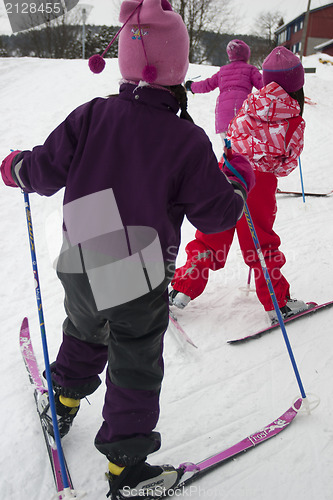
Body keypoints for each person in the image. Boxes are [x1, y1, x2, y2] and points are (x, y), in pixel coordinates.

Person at [0, 0, 255, 498]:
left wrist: (16, 168)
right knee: (134, 358)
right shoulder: (185, 139)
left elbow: (46, 169)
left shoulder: (93, 114)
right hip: (134, 266)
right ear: (178, 68)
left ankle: (61, 401)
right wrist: (238, 186)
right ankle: (127, 468)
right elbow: (215, 213)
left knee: (86, 328)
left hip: (79, 252)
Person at [170, 46, 309, 324]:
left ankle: (180, 291)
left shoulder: (251, 102)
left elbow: (232, 133)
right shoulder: (293, 119)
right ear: (297, 87)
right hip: (260, 182)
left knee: (211, 236)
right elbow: (288, 163)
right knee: (260, 243)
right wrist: (269, 167)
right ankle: (277, 304)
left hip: (229, 171)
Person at [185, 39, 263, 142]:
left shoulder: (223, 71)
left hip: (223, 119)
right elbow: (264, 85)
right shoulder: (250, 70)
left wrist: (191, 86)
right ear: (247, 56)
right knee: (242, 150)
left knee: (228, 150)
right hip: (241, 117)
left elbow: (207, 84)